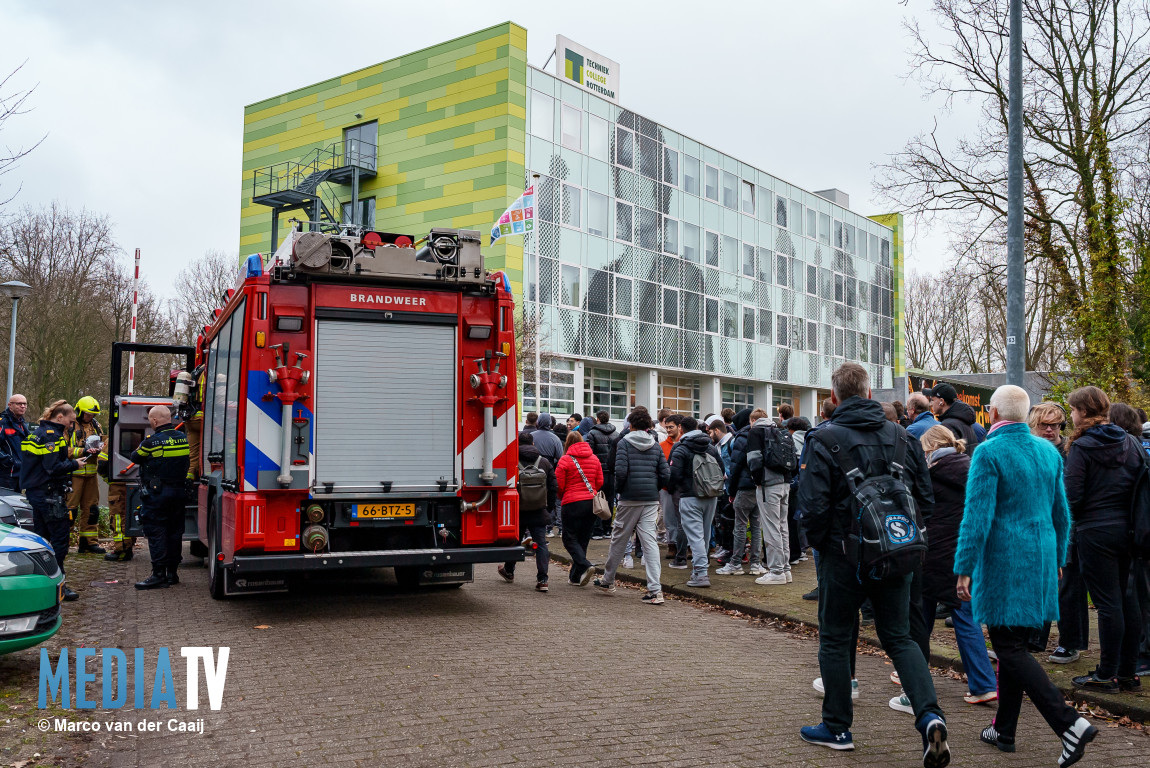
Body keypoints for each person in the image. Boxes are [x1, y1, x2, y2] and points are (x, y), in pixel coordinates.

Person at [799, 363, 948, 765]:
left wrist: (826, 547)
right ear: (868, 394)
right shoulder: (903, 435)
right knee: (899, 637)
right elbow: (925, 501)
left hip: (843, 558)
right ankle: (930, 715)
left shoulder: (823, 438)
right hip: (896, 554)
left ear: (833, 398)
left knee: (835, 636)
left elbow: (811, 508)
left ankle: (836, 727)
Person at [954, 385, 1097, 765]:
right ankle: (1004, 729)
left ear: (992, 411)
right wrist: (1058, 556)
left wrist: (964, 567)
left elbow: (977, 517)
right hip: (1042, 556)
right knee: (1015, 644)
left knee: (1009, 648)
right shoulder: (1049, 452)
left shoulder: (988, 451)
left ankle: (1069, 723)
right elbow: (1061, 513)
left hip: (1004, 560)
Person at [895, 426, 997, 712]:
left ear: (930, 449)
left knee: (923, 617)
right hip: (963, 554)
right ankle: (982, 683)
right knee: (960, 617)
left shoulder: (933, 473)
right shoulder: (971, 468)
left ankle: (914, 674)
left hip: (934, 555)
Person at [1064, 387, 1142, 692]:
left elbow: (1072, 495)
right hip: (1130, 530)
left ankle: (1106, 674)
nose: (1071, 415)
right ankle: (1127, 673)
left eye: (1072, 410)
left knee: (1108, 603)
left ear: (1083, 412)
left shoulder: (1082, 447)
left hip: (1096, 531)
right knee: (1127, 599)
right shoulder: (1131, 441)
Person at [1028, 401, 1086, 663]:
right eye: (1045, 425)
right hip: (1037, 524)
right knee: (1037, 583)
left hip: (1067, 524)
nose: (1050, 430)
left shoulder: (1069, 450)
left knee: (1068, 586)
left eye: (1056, 425)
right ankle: (1033, 638)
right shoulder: (1029, 448)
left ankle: (1070, 643)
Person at [595, 408, 669, 604]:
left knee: (619, 538)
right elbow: (665, 474)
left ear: (631, 425)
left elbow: (619, 472)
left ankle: (608, 580)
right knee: (649, 542)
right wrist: (654, 488)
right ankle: (655, 590)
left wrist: (621, 492)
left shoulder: (624, 443)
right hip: (651, 498)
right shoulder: (655, 445)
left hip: (629, 498)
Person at [21, 401, 85, 601]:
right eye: (69, 421)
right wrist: (75, 464)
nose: (70, 425)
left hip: (37, 493)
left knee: (42, 538)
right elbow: (53, 467)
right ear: (60, 417)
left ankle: (42, 582)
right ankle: (58, 585)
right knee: (59, 539)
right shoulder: (52, 436)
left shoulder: (35, 433)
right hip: (49, 495)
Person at [132, 406, 190, 590]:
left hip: (158, 495)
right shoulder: (182, 438)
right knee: (175, 532)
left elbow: (135, 456)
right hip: (179, 493)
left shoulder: (152, 442)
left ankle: (158, 575)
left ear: (155, 421)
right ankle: (172, 573)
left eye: (150, 419)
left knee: (157, 532)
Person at [667, 416, 722, 588]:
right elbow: (722, 469)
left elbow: (674, 474)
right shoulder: (710, 447)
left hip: (689, 496)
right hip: (711, 496)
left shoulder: (680, 448)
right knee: (704, 535)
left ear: (681, 428)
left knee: (695, 537)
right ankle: (700, 570)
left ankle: (701, 574)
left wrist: (671, 488)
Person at [498, 432, 555, 592]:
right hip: (538, 510)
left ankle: (509, 571)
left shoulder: (512, 461)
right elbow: (553, 487)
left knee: (515, 541)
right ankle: (543, 579)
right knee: (541, 544)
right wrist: (548, 508)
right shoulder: (544, 462)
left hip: (518, 510)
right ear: (533, 444)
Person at [746, 408, 794, 585]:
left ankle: (776, 571)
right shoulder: (780, 429)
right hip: (785, 482)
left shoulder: (755, 432)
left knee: (770, 527)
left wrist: (758, 480)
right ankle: (785, 569)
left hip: (768, 484)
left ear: (753, 420)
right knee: (783, 526)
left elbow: (754, 460)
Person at [719, 408, 765, 576]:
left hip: (744, 487)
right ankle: (755, 563)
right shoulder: (767, 435)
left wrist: (731, 490)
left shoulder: (743, 437)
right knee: (756, 526)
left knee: (739, 526)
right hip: (761, 487)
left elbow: (735, 466)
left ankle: (735, 563)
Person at [554, 431, 602, 586]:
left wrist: (564, 496)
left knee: (569, 538)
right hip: (591, 503)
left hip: (572, 502)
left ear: (567, 443)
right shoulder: (594, 458)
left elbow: (558, 485)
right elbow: (600, 481)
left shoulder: (565, 460)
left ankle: (586, 565)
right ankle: (575, 577)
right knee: (582, 539)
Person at [67, 396, 106, 554]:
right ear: (79, 411)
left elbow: (103, 441)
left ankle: (88, 543)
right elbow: (64, 450)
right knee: (70, 511)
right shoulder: (69, 426)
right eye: (87, 414)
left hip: (91, 475)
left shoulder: (96, 425)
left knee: (92, 510)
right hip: (73, 474)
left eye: (92, 415)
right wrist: (83, 451)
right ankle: (63, 543)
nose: (90, 417)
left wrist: (100, 448)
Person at [585, 411, 618, 540]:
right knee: (610, 500)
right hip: (612, 472)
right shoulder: (616, 434)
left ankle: (597, 529)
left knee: (597, 499)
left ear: (597, 419)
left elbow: (590, 453)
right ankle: (607, 528)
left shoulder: (592, 433)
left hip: (598, 472)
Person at [532, 414, 564, 536]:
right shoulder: (554, 438)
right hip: (549, 470)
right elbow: (560, 457)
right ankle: (550, 526)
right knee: (551, 499)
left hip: (532, 471)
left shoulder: (532, 436)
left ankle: (534, 527)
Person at [660, 414, 685, 563]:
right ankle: (672, 545)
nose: (668, 430)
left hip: (682, 487)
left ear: (679, 427)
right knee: (669, 518)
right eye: (667, 427)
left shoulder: (684, 443)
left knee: (683, 518)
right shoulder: (662, 445)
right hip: (666, 487)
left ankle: (685, 546)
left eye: (671, 427)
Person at [0, 393, 30, 490]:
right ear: (10, 405)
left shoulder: (22, 424)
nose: (23, 406)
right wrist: (9, 461)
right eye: (19, 404)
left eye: (25, 404)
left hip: (20, 474)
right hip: (5, 475)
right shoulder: (3, 422)